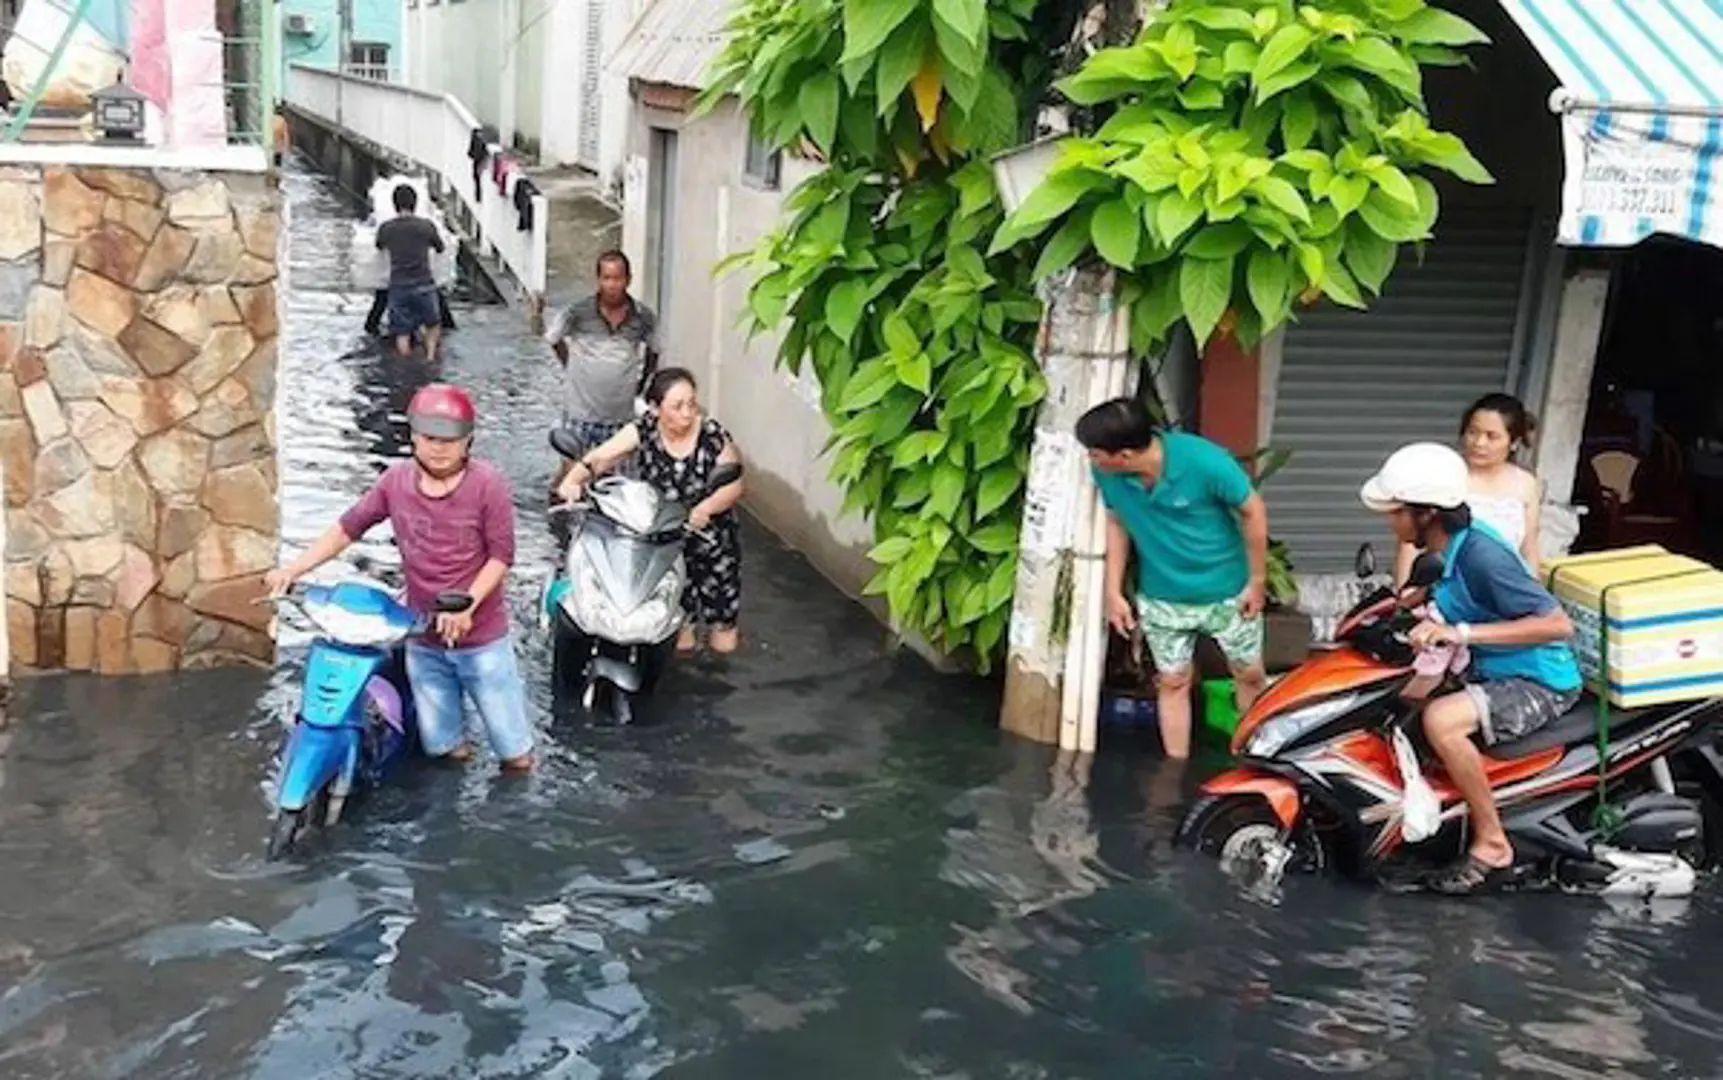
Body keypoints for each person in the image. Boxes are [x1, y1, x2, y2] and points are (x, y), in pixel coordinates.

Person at [266, 384, 534, 772]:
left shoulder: (487, 485)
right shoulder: (395, 481)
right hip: (421, 634)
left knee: (515, 756)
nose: (438, 448)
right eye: (429, 438)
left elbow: (500, 557)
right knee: (444, 749)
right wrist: (295, 569)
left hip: (481, 638)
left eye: (449, 439)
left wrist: (467, 605)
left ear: (467, 441)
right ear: (413, 437)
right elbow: (348, 527)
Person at [1361, 442, 1581, 894]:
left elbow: (1557, 625)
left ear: (1426, 514)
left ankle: (1493, 842)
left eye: (1396, 511)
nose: (1390, 520)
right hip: (1490, 669)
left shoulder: (1482, 555)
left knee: (1440, 720)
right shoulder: (1446, 551)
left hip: (1538, 680)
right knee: (1399, 705)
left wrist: (1462, 634)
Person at [1078, 397, 1271, 760]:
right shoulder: (1108, 473)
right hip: (1163, 595)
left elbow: (1253, 510)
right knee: (1173, 681)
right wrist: (1113, 592)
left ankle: (1253, 761)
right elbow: (1117, 521)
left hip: (1229, 592)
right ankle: (1175, 769)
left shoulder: (1204, 461)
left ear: (1124, 456)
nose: (1091, 459)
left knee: (1248, 675)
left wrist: (1257, 581)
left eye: (1095, 453)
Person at [555, 367, 744, 654]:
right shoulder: (643, 429)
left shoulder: (712, 434)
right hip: (662, 543)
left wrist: (705, 508)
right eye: (677, 406)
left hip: (711, 542)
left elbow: (734, 484)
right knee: (674, 626)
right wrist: (573, 480)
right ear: (656, 409)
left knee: (723, 629)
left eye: (692, 404)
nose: (687, 412)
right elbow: (602, 457)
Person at [1396, 393, 1541, 586]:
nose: (1479, 443)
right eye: (1473, 432)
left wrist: (1536, 600)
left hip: (1500, 595)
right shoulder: (1440, 475)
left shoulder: (1525, 484)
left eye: (1492, 436)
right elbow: (1410, 544)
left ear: (1513, 442)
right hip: (1441, 594)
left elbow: (1528, 548)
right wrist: (1405, 593)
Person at [544, 250, 660, 473]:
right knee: (571, 473)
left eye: (618, 278)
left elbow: (654, 350)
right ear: (598, 280)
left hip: (620, 417)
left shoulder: (642, 317)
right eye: (606, 278)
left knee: (618, 480)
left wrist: (643, 384)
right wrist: (571, 367)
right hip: (580, 413)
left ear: (628, 279)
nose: (612, 285)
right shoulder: (577, 313)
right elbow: (553, 338)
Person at [376, 184, 448, 361]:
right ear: (415, 203)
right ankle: (430, 358)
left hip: (399, 285)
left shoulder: (387, 228)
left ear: (395, 205)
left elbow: (378, 246)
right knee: (432, 324)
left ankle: (406, 363)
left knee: (402, 331)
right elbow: (440, 248)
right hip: (424, 283)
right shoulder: (426, 226)